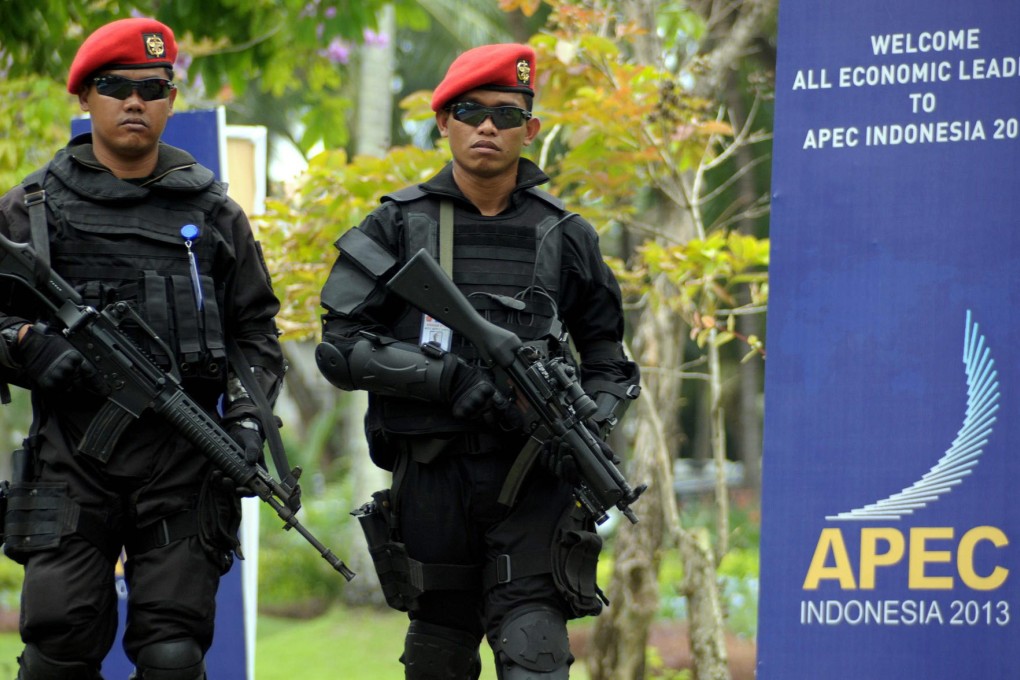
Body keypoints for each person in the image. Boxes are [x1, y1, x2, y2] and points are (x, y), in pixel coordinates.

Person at [316, 43, 640, 679]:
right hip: (432, 481)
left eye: (506, 114)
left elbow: (607, 356)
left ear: (532, 129)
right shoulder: (395, 226)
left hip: (534, 480)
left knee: (535, 655)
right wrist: (443, 378)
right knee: (439, 655)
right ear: (443, 122)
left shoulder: (565, 234)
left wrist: (589, 424)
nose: (487, 126)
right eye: (470, 111)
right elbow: (340, 345)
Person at [0, 18, 285, 679]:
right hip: (71, 462)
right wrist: (23, 344)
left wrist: (245, 421)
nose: (135, 101)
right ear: (85, 98)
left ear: (171, 100)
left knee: (173, 653)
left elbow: (256, 332)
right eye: (116, 86)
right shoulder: (30, 210)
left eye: (153, 88)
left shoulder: (214, 212)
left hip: (183, 465)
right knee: (58, 647)